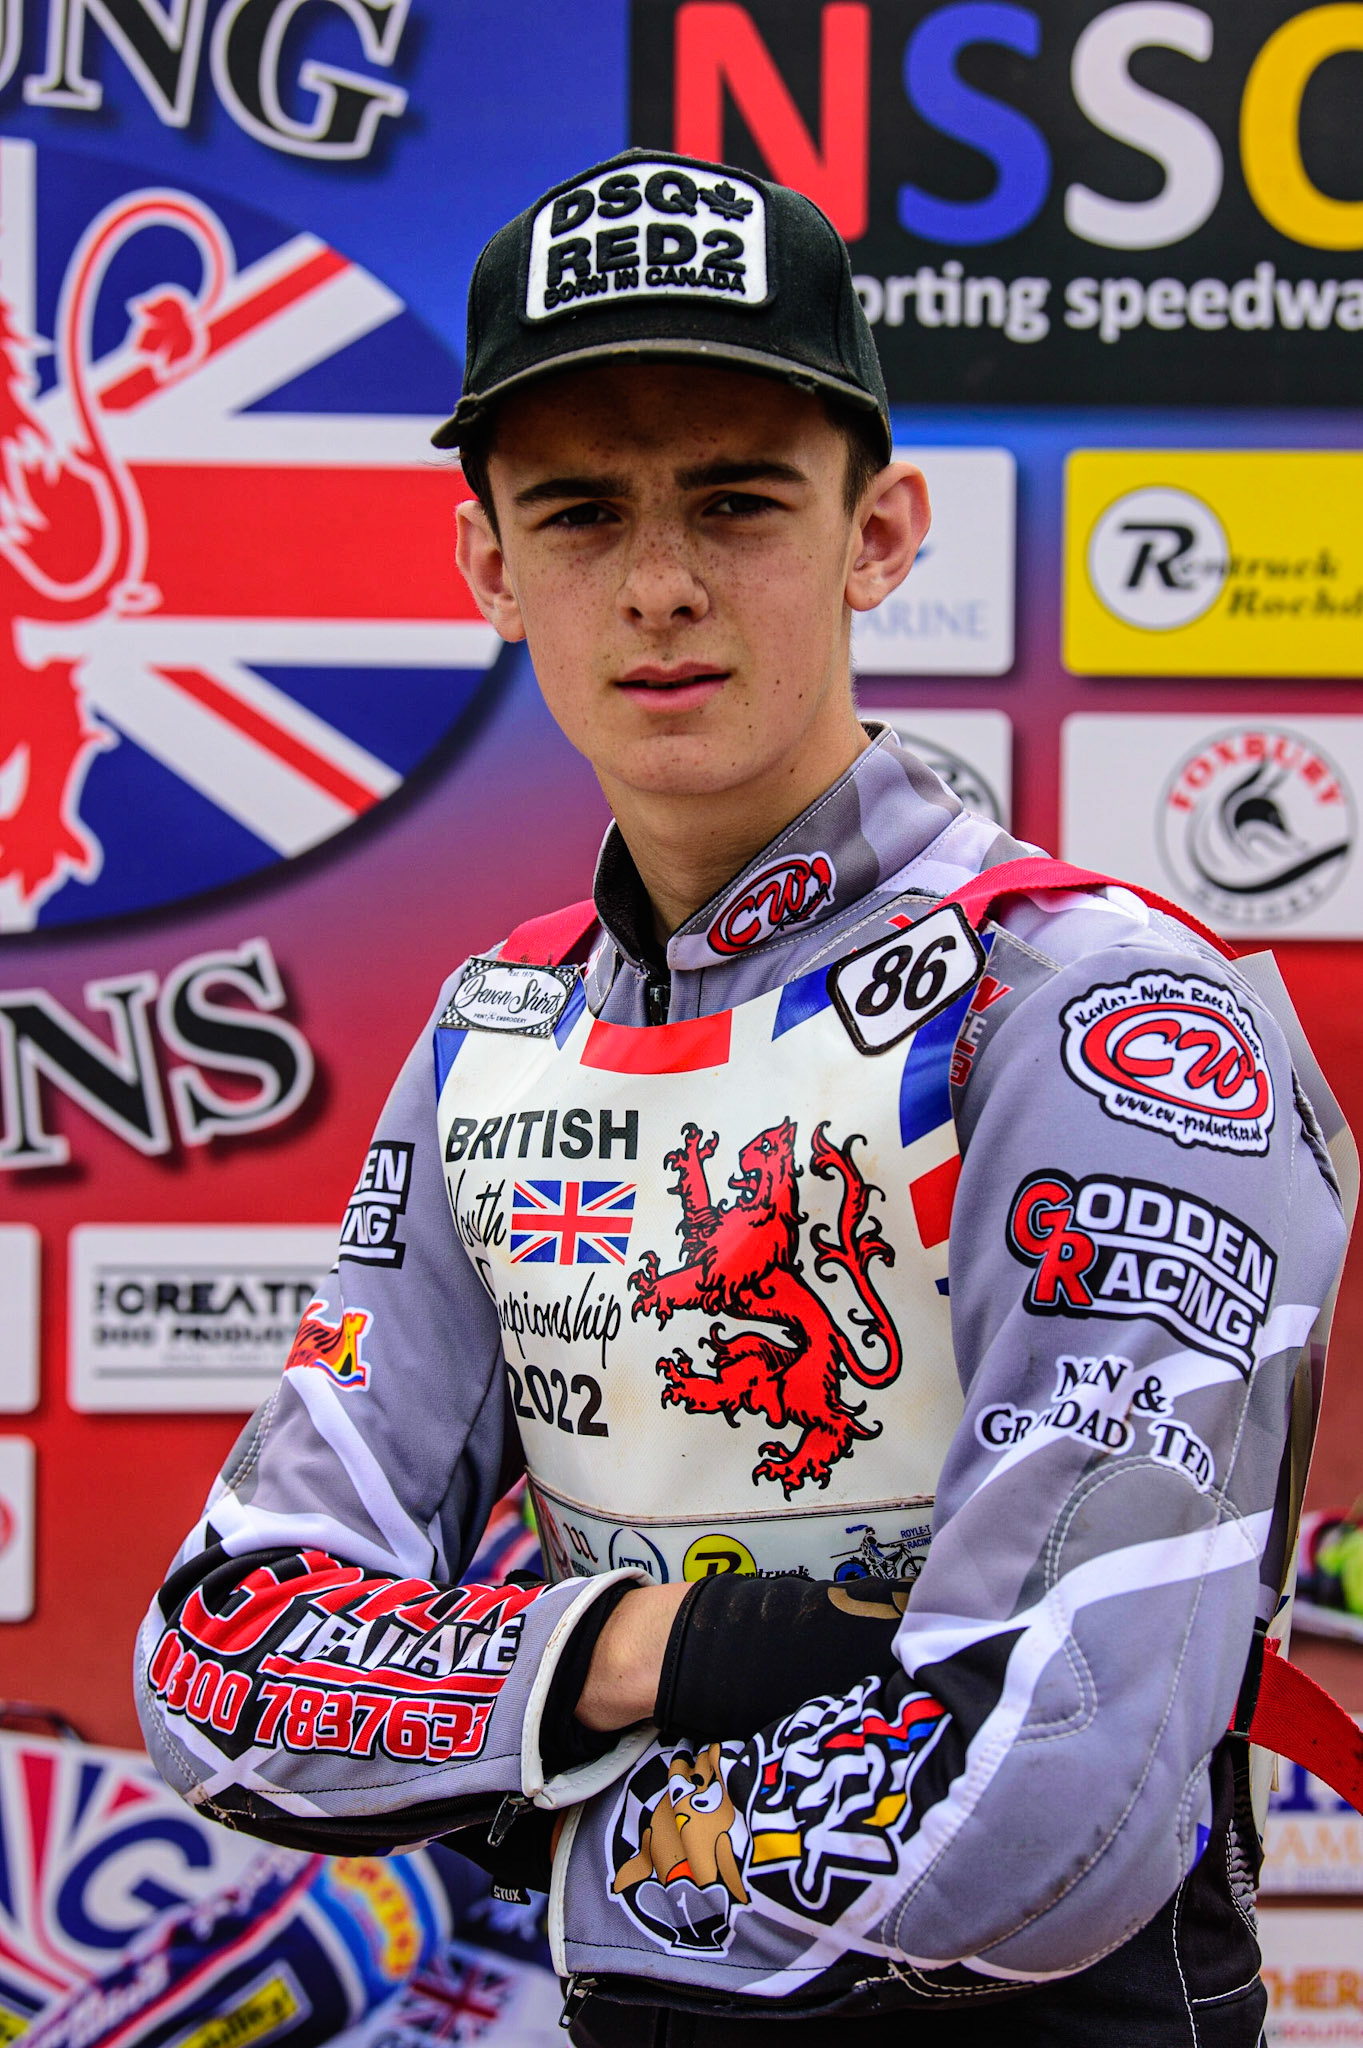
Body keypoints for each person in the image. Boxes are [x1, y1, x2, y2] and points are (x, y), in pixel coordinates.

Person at [137, 150, 1351, 2046]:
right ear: (489, 566)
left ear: (881, 535)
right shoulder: (495, 1035)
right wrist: (649, 1650)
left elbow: (1056, 1798)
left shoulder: (1092, 1001)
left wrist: (571, 1833)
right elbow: (221, 1661)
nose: (665, 585)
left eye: (738, 501)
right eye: (579, 514)